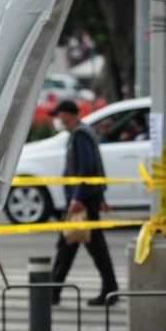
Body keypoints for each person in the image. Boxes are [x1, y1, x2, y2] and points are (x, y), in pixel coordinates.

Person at [48, 100, 118, 307]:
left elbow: (87, 167)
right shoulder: (83, 132)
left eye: (59, 114)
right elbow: (94, 165)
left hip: (83, 201)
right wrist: (100, 196)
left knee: (70, 246)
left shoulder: (80, 134)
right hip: (87, 199)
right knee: (75, 246)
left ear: (67, 115)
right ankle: (54, 292)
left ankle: (53, 293)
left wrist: (77, 198)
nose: (57, 119)